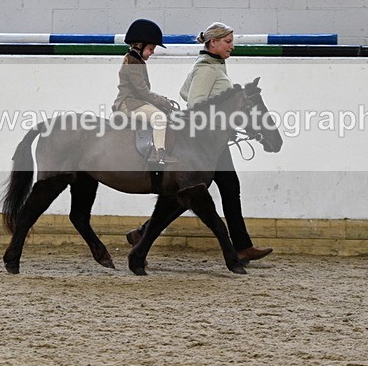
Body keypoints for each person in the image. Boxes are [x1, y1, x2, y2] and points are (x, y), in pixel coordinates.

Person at [126, 22, 273, 263]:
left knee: (207, 193)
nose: (231, 47)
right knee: (209, 193)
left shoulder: (210, 65)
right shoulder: (208, 68)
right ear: (213, 42)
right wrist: (221, 120)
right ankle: (242, 247)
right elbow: (195, 104)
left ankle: (143, 233)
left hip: (211, 140)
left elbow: (185, 92)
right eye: (227, 42)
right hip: (205, 143)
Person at [113, 19, 178, 165]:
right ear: (140, 45)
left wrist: (161, 98)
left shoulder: (135, 59)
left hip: (135, 102)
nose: (153, 52)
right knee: (159, 117)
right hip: (129, 104)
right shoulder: (134, 62)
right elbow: (143, 91)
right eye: (151, 48)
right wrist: (163, 101)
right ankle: (159, 154)